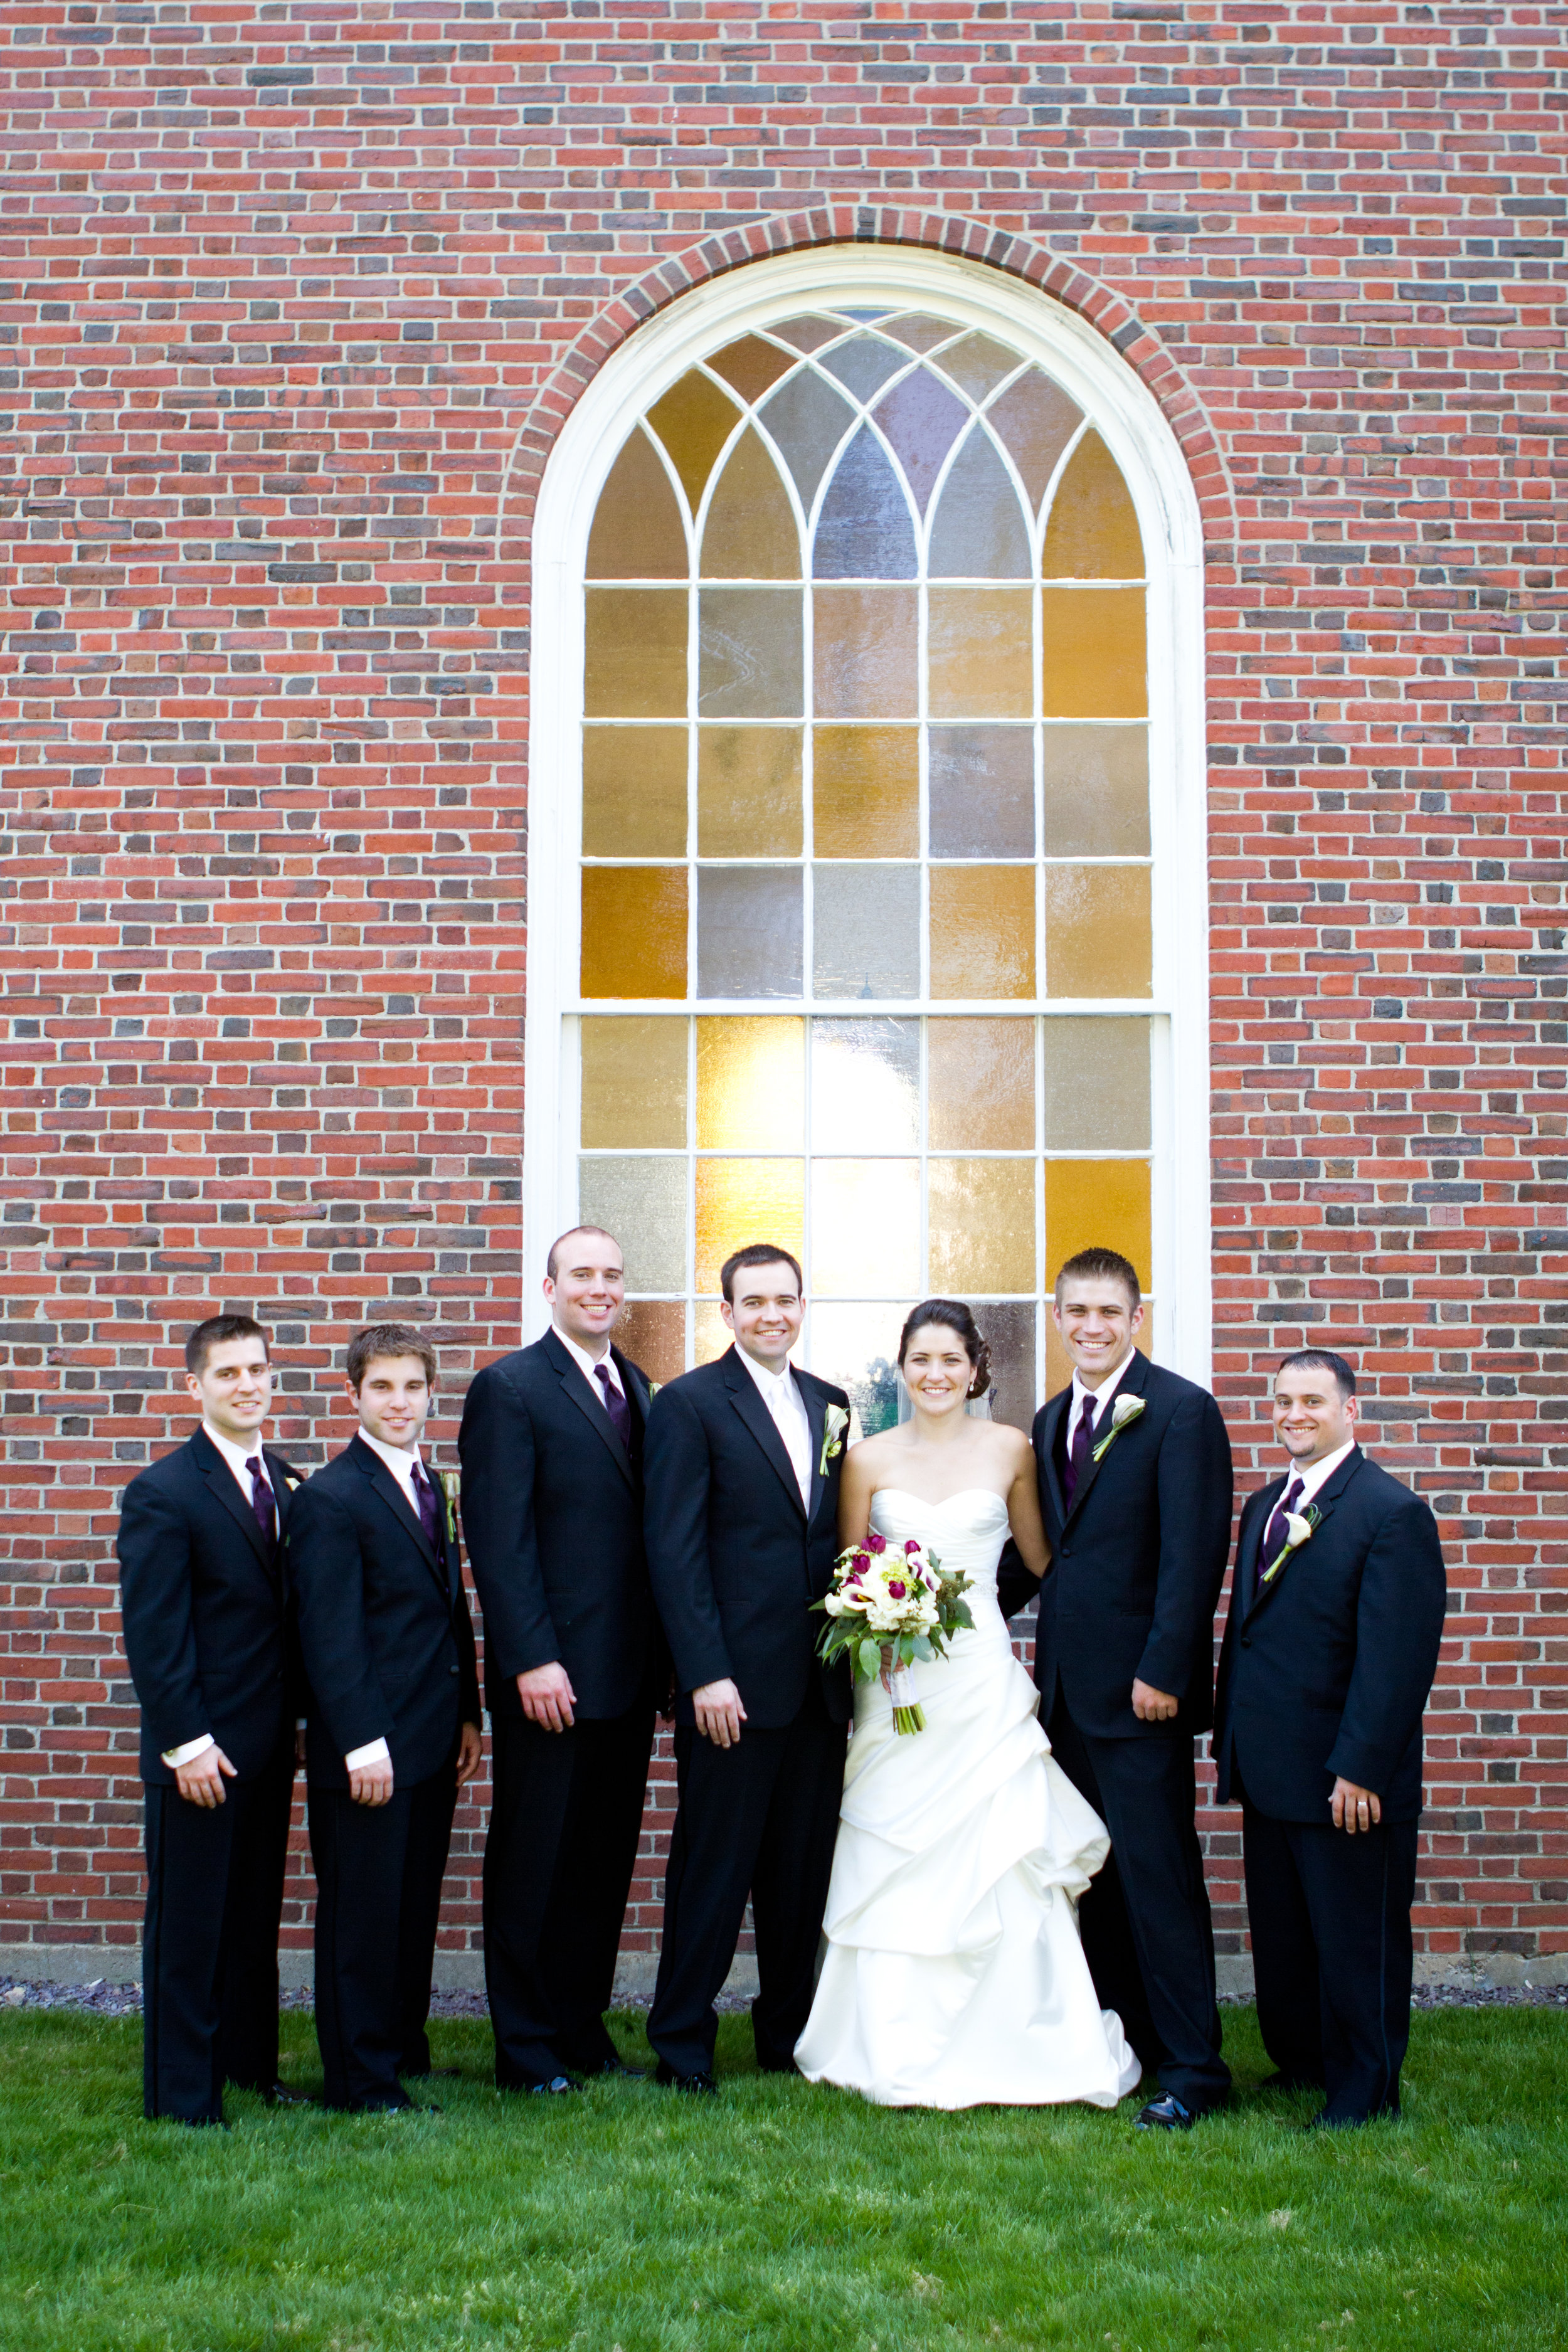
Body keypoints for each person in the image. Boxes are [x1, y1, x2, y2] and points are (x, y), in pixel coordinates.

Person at [795, 1300, 1140, 2109]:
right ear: (902, 1367)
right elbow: (851, 1574)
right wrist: (886, 1613)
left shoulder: (1011, 1449)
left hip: (979, 1671)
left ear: (976, 1367)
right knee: (893, 1837)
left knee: (1001, 1843)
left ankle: (1024, 2035)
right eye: (920, 1359)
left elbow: (1042, 1559)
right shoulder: (868, 1458)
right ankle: (882, 2037)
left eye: (951, 1359)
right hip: (897, 1677)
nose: (936, 1374)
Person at [1000, 1247, 1234, 2129]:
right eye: (1077, 1311)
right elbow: (1044, 1559)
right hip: (1064, 1695)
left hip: (1141, 1697)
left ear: (1137, 1317)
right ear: (1057, 1317)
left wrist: (1164, 1673)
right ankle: (1126, 2043)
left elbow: (1192, 1556)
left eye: (1109, 1311)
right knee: (1095, 1878)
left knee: (1159, 1876)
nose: (1092, 1325)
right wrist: (938, 1606)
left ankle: (1194, 2067)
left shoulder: (1180, 1411)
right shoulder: (1055, 1415)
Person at [1214, 1349, 1446, 2127]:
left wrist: (1361, 1770)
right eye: (1282, 1401)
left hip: (1347, 1777)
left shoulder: (1390, 1513)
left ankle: (1365, 2088)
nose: (1293, 1415)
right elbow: (1249, 1635)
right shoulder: (1264, 1508)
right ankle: (1306, 2063)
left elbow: (1396, 1660)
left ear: (1351, 1411)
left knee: (1355, 1943)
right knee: (1287, 1936)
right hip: (1272, 1765)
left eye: (1312, 1401)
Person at [458, 1226, 665, 2095]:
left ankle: (580, 2025)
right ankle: (525, 2045)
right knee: (534, 1860)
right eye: (583, 1273)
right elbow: (498, 1541)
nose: (600, 1287)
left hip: (625, 1673)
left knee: (601, 1861)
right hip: (551, 1676)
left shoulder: (642, 1389)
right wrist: (530, 1658)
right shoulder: (508, 1388)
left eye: (613, 1274)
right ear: (549, 1287)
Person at [642, 1244, 852, 2092]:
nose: (772, 1314)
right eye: (753, 1301)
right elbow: (674, 1547)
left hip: (817, 1685)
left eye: (786, 1299)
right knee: (713, 1870)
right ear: (726, 1312)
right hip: (731, 1684)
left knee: (801, 1876)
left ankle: (787, 2035)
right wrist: (704, 1672)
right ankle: (682, 2043)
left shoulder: (831, 1403)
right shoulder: (689, 1404)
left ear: (803, 1306)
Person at [116, 1313, 307, 2127]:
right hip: (198, 1749)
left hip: (267, 1747)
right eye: (227, 1372)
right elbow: (155, 1635)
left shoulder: (289, 1481)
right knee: (189, 1932)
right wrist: (186, 1742)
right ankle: (182, 2096)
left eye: (257, 1369)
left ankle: (249, 2069)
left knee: (251, 1923)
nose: (247, 1384)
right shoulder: (163, 1491)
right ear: (194, 1385)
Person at [289, 1324, 482, 2114]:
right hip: (369, 1746)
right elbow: (329, 1637)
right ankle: (360, 2080)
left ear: (430, 1393)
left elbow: (446, 1608)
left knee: (410, 1906)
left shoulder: (430, 1483)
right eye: (382, 1388)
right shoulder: (334, 1497)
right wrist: (362, 1745)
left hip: (432, 1737)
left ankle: (403, 2049)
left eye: (412, 1387)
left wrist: (469, 1712)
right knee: (363, 1918)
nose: (399, 1402)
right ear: (353, 1395)